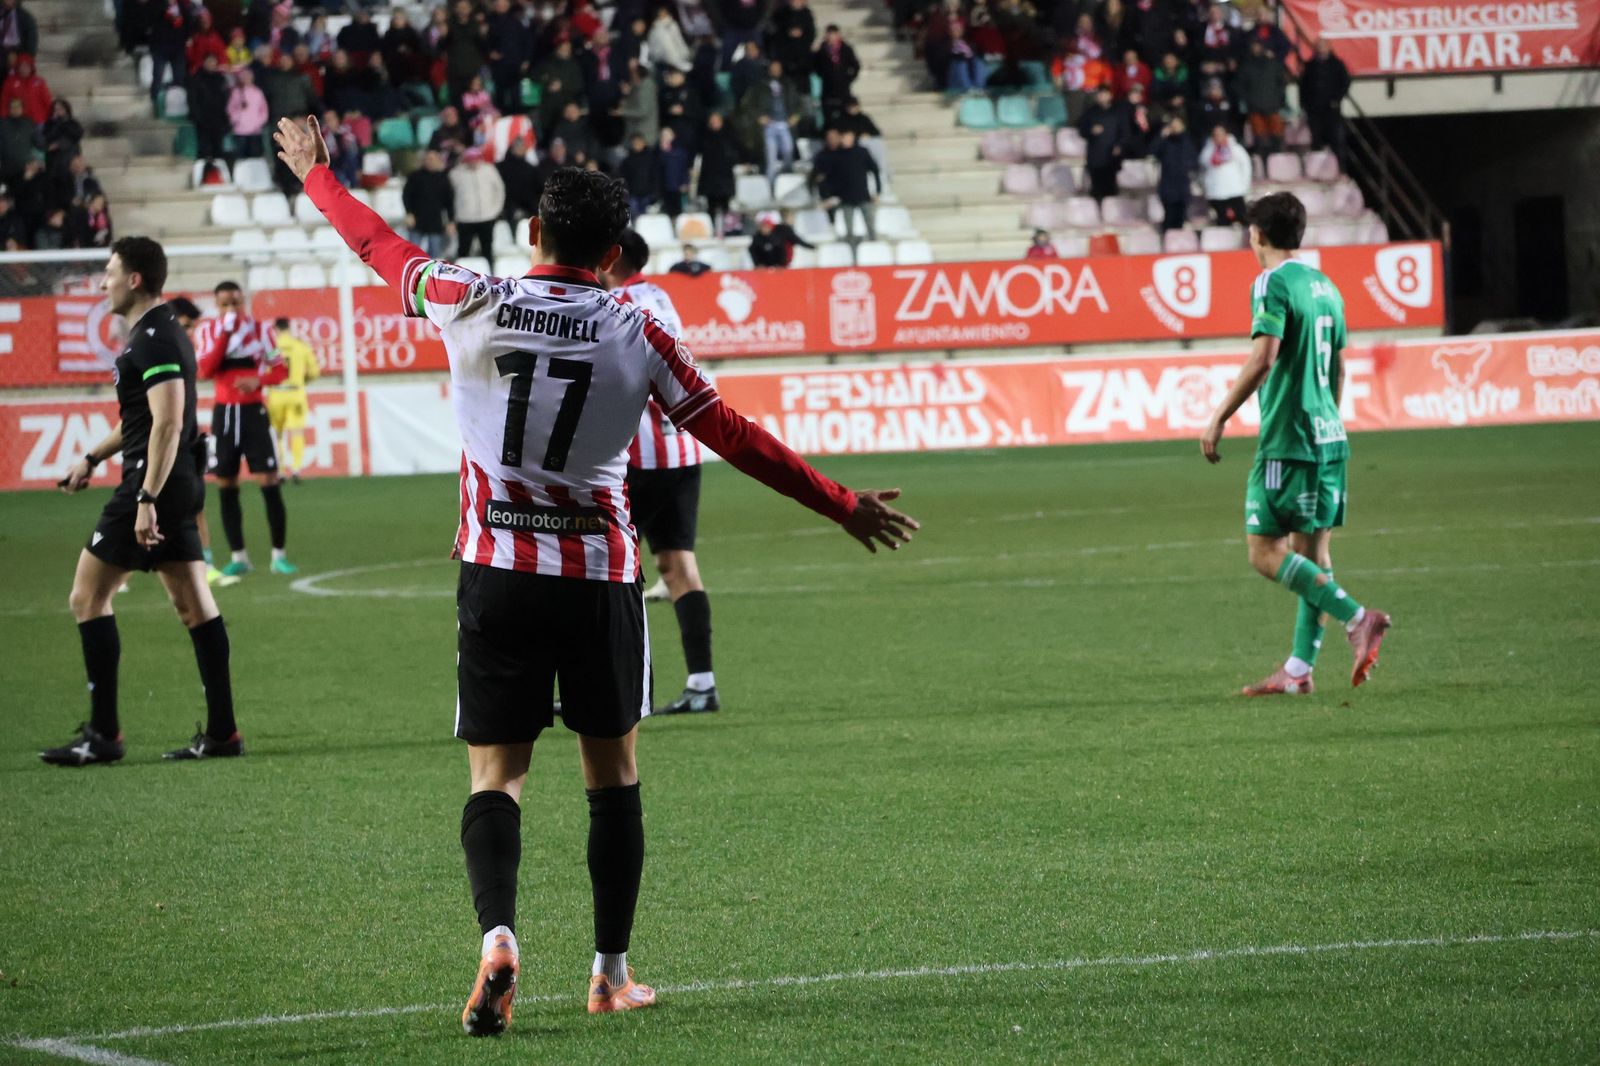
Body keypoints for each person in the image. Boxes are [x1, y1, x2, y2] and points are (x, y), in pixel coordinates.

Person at [276, 112, 917, 1034]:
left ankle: (498, 936)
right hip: (598, 576)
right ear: (617, 253)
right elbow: (733, 436)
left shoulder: (467, 295)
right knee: (612, 778)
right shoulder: (637, 331)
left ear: (530, 233)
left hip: (495, 569)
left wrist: (316, 174)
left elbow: (375, 242)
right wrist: (842, 504)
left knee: (495, 777)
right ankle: (610, 971)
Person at [41, 237, 243, 766]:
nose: (102, 282)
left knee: (87, 597)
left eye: (109, 272)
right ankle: (223, 734)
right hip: (168, 483)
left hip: (152, 487)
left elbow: (169, 421)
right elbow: (139, 419)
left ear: (134, 280)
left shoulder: (154, 339)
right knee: (193, 603)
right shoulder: (152, 336)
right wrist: (90, 457)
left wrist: (147, 498)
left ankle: (104, 735)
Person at [1200, 192, 1391, 696]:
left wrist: (1219, 416)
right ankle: (1298, 670)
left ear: (1258, 234)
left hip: (1288, 439)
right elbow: (1339, 367)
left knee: (1265, 551)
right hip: (1329, 436)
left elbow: (1264, 358)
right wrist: (1329, 417)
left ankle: (1356, 619)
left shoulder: (1271, 283)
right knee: (1313, 554)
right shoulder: (1326, 286)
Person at [601, 229, 722, 713]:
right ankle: (702, 684)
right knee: (677, 567)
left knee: (616, 575)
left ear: (610, 260)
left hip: (643, 458)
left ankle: (629, 690)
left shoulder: (618, 306)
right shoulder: (659, 295)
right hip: (684, 452)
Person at [195, 280, 295, 578]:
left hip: (253, 412)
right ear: (216, 305)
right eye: (224, 304)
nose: (231, 309)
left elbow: (281, 370)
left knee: (269, 479)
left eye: (235, 303)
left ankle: (279, 555)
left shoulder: (262, 331)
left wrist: (258, 381)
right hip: (224, 414)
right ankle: (239, 556)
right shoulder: (208, 331)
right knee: (226, 484)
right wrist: (226, 332)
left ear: (244, 302)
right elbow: (206, 370)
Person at [167, 294, 237, 588]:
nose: (189, 333)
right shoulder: (159, 356)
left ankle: (206, 564)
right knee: (145, 502)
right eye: (183, 326)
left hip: (187, 435)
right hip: (162, 439)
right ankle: (118, 567)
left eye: (191, 326)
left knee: (196, 502)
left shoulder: (186, 356)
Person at [267, 317, 319, 482]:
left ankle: (281, 470)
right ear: (289, 328)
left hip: (276, 393)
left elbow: (265, 371)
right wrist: (303, 381)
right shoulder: (301, 346)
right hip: (295, 393)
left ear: (276, 329)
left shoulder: (272, 348)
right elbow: (314, 372)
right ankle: (296, 469)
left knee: (277, 434)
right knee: (296, 431)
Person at [1300, 38, 1350, 169]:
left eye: (1323, 46)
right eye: (1318, 46)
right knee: (1316, 142)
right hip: (1314, 110)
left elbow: (1345, 83)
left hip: (1331, 110)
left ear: (1329, 47)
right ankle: (1317, 171)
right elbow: (1303, 87)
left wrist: (1336, 99)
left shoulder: (1337, 64)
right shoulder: (1310, 66)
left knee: (1336, 141)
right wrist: (1304, 104)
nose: (1320, 49)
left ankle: (1340, 169)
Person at [449, 147, 505, 261]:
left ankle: (490, 274)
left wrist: (495, 210)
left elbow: (499, 190)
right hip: (465, 218)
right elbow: (449, 196)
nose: (473, 162)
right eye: (470, 159)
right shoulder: (455, 173)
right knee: (463, 249)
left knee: (487, 249)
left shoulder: (489, 170)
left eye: (475, 159)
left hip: (487, 217)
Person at [1234, 39, 1286, 156]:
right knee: (1259, 136)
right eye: (1253, 46)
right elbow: (1239, 86)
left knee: (1276, 135)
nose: (1255, 48)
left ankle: (1276, 156)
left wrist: (1278, 99)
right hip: (1254, 107)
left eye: (1257, 46)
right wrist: (1249, 99)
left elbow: (1281, 83)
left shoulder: (1273, 64)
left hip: (1272, 105)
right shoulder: (1245, 66)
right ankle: (1262, 157)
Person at [404, 148, 455, 257]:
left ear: (438, 160)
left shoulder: (443, 178)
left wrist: (451, 221)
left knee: (434, 256)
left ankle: (430, 274)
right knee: (413, 254)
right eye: (428, 159)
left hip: (435, 222)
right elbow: (406, 196)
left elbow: (449, 202)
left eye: (432, 159)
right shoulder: (415, 176)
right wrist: (409, 213)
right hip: (417, 221)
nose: (430, 161)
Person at [1077, 85, 1124, 202]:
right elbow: (1082, 130)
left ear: (1110, 95)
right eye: (1100, 94)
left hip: (1112, 157)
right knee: (1097, 190)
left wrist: (1119, 145)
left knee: (1111, 188)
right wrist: (1091, 131)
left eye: (1105, 94)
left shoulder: (1117, 112)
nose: (1102, 97)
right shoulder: (1090, 112)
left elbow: (1124, 132)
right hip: (1096, 157)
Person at [1200, 123, 1251, 225]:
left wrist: (1244, 184)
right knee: (1222, 220)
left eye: (1221, 134)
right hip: (1217, 192)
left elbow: (1246, 166)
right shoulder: (1208, 150)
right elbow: (1203, 166)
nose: (1218, 137)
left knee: (1242, 217)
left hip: (1235, 190)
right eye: (1216, 135)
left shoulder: (1236, 148)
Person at [1152, 114, 1196, 232]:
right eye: (1173, 125)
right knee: (1169, 217)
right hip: (1168, 185)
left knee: (1180, 218)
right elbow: (1152, 151)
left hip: (1182, 185)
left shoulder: (1187, 142)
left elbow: (1192, 160)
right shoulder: (1165, 142)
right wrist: (1161, 136)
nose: (1175, 128)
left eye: (1178, 125)